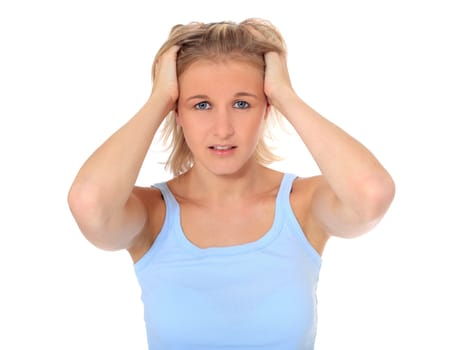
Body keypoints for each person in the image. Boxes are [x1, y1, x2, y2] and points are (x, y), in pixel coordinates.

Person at [68, 18, 395, 350]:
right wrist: (159, 100)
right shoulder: (154, 215)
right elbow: (89, 203)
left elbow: (372, 194)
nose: (222, 129)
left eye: (242, 103)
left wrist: (285, 94)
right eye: (201, 105)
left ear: (266, 108)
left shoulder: (301, 206)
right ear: (177, 112)